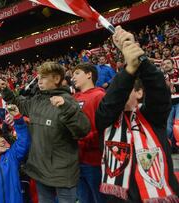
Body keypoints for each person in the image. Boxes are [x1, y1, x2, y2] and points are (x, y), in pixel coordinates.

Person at [96, 26, 179, 202]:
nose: (121, 90)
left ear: (139, 93)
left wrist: (138, 56)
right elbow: (112, 100)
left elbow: (158, 89)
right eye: (119, 87)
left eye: (128, 87)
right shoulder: (105, 119)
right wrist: (128, 70)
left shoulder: (152, 117)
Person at [0, 61, 91, 203]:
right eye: (39, 77)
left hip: (63, 174)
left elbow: (82, 130)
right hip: (40, 171)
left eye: (43, 77)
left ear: (56, 79)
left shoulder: (67, 102)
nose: (39, 81)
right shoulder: (37, 100)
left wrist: (66, 109)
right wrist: (6, 90)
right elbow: (19, 103)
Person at [72, 63, 105, 203]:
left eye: (77, 73)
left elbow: (104, 128)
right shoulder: (73, 98)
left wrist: (83, 139)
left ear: (89, 74)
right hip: (75, 161)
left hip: (94, 160)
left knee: (100, 199)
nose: (73, 77)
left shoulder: (100, 95)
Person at [162, 58, 179, 148]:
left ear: (173, 64)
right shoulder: (161, 77)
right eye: (164, 64)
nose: (166, 65)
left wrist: (175, 87)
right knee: (168, 127)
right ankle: (169, 148)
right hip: (168, 104)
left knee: (177, 125)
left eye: (168, 63)